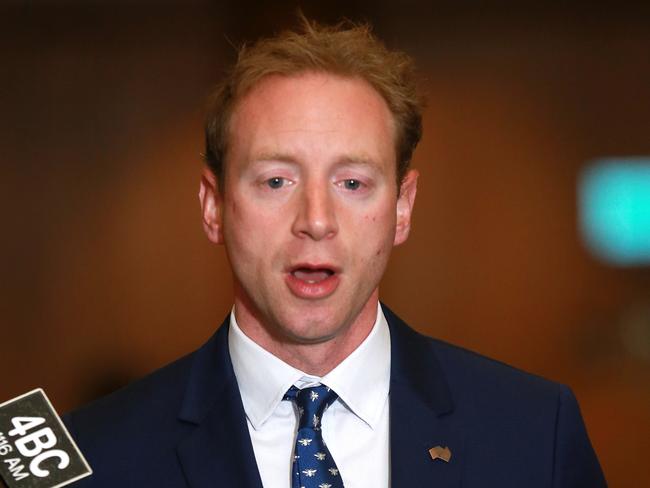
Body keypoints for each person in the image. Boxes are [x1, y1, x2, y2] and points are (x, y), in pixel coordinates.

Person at [64, 17, 606, 487]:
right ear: (213, 206)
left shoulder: (536, 433)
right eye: (276, 181)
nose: (316, 221)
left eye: (352, 183)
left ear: (402, 207)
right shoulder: (89, 457)